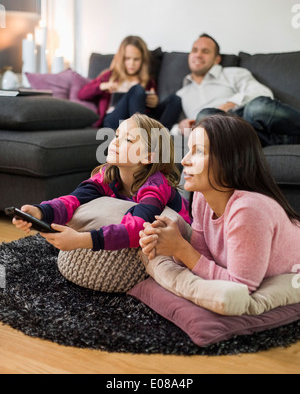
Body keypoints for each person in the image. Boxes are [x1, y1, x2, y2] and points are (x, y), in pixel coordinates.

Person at [140, 114, 300, 293]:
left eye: (198, 151)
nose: (184, 160)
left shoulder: (249, 210)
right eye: (188, 150)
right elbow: (204, 259)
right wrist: (178, 237)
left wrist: (181, 248)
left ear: (234, 161)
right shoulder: (202, 198)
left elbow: (241, 287)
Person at [12, 114, 191, 252]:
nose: (114, 142)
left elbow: (139, 227)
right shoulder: (107, 174)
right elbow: (74, 199)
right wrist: (39, 212)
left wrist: (82, 241)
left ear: (148, 157)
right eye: (117, 135)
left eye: (128, 140)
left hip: (182, 237)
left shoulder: (155, 185)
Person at [175, 34, 300, 146]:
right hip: (219, 133)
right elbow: (169, 129)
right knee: (205, 117)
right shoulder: (181, 94)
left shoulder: (233, 73)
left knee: (257, 107)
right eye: (194, 50)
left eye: (205, 51)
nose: (198, 55)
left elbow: (263, 93)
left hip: (243, 116)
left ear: (217, 59)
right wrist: (181, 127)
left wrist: (230, 104)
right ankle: (280, 141)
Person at [78, 35, 182, 130]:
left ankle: (160, 136)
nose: (131, 63)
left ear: (143, 60)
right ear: (121, 58)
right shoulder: (110, 75)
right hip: (114, 119)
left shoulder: (148, 80)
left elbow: (145, 111)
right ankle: (142, 134)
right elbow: (82, 94)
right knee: (137, 89)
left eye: (136, 59)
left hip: (139, 117)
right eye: (127, 59)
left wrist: (154, 103)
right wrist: (102, 86)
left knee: (175, 99)